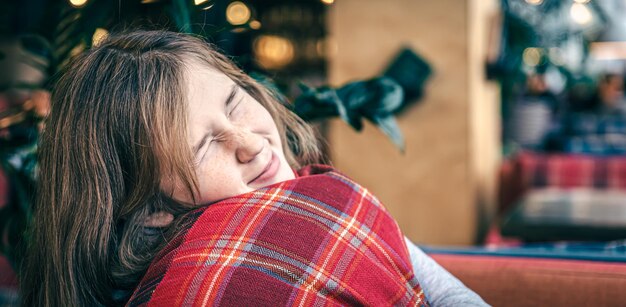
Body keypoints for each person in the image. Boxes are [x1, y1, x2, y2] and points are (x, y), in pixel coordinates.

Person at [20, 30, 487, 306]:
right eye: (203, 148)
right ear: (148, 209)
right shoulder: (216, 279)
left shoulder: (311, 195)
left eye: (234, 101)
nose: (249, 142)